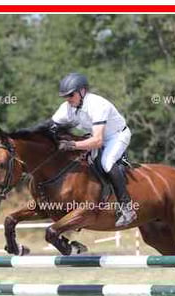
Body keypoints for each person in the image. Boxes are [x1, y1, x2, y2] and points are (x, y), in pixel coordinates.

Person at [53, 72, 137, 227]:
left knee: (107, 163)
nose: (68, 99)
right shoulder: (67, 108)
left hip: (116, 136)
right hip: (95, 136)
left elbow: (98, 141)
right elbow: (50, 127)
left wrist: (72, 145)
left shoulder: (98, 105)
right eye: (65, 96)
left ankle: (127, 208)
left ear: (82, 91)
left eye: (71, 95)